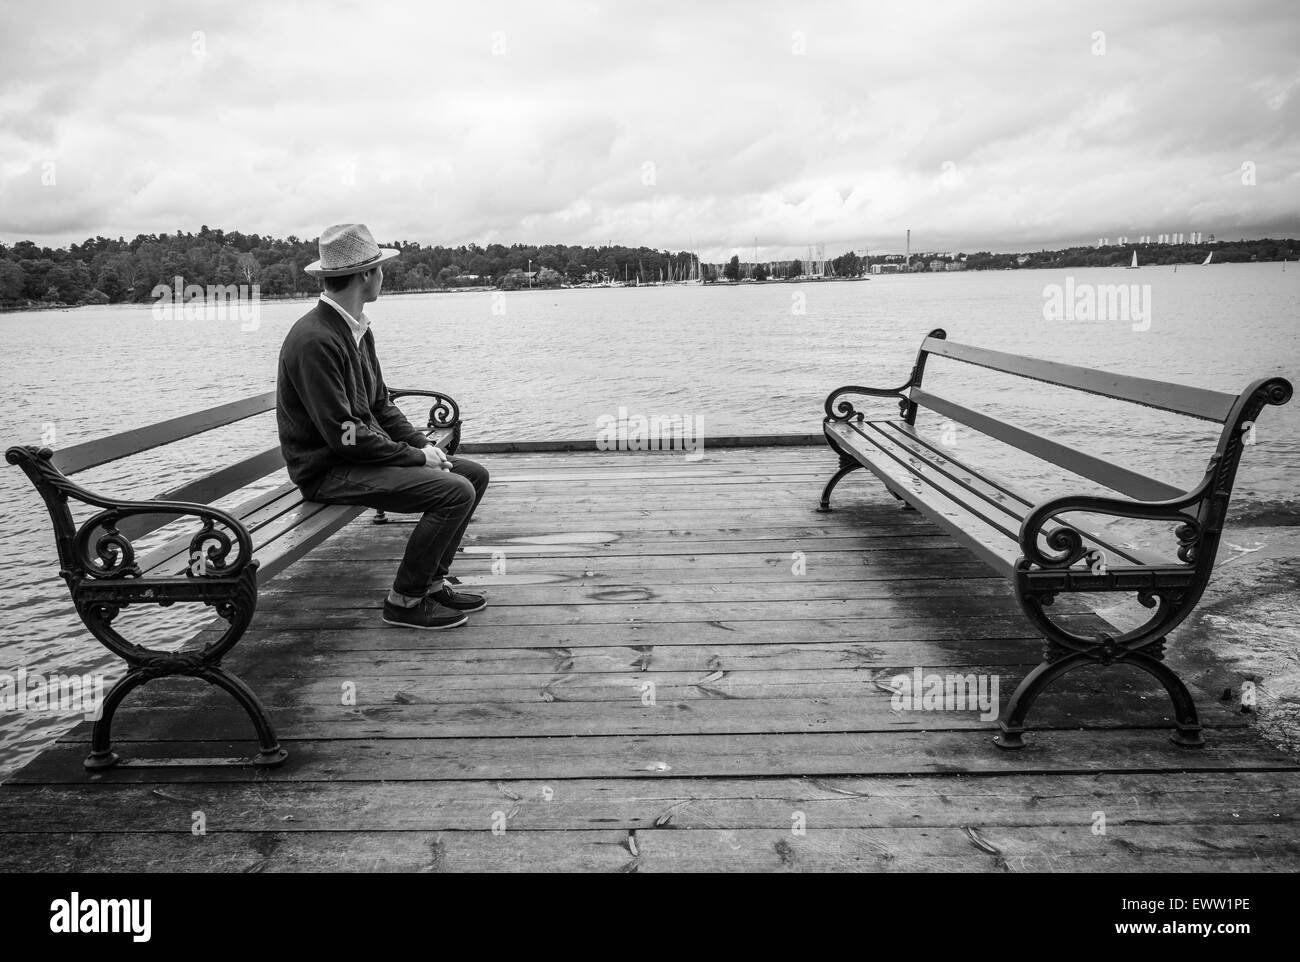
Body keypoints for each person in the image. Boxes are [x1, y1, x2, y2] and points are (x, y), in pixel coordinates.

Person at [276, 223, 489, 629]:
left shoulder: (357, 329)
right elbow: (344, 434)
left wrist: (427, 451)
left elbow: (379, 404)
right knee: (453, 491)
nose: (382, 276)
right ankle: (404, 600)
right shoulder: (315, 339)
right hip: (328, 470)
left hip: (357, 458)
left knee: (471, 475)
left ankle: (429, 583)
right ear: (365, 275)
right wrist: (414, 457)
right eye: (379, 268)